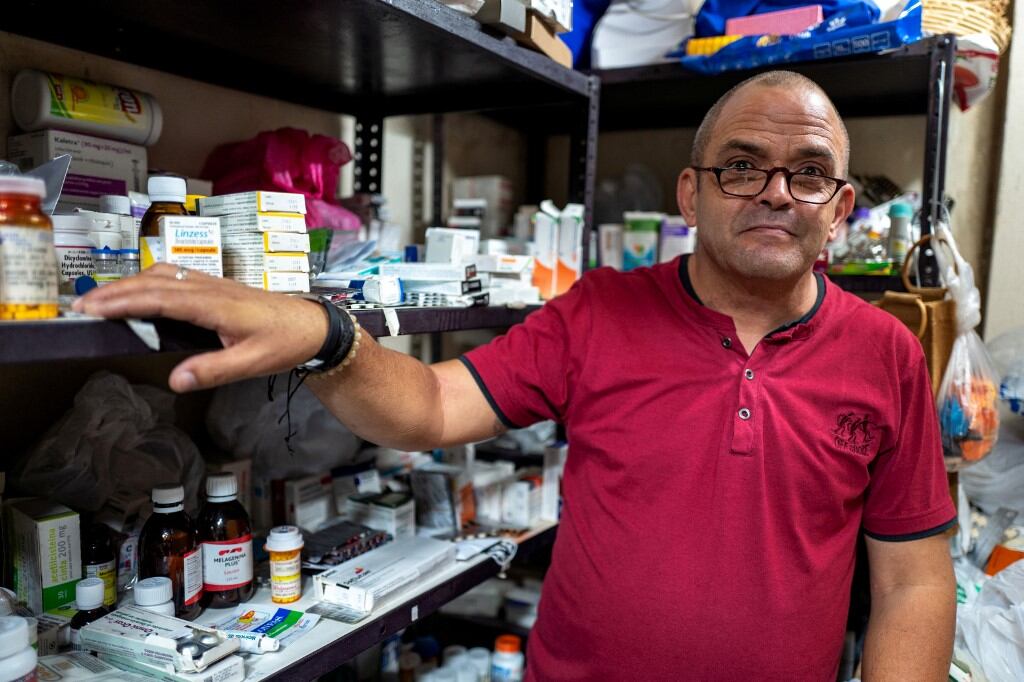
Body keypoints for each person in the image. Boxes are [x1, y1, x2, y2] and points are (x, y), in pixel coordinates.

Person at [74, 70, 956, 680]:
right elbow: (430, 406)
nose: (775, 192)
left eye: (809, 175)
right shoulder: (600, 311)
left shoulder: (887, 352)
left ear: (841, 208)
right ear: (691, 195)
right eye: (742, 166)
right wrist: (326, 334)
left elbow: (912, 581)